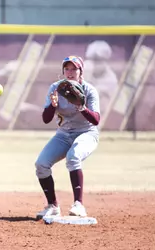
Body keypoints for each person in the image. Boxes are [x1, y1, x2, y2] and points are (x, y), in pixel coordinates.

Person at [35, 56, 100, 218]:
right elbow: (46, 119)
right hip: (63, 135)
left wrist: (81, 107)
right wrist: (53, 105)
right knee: (41, 164)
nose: (70, 72)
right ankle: (52, 206)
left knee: (73, 157)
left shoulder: (89, 90)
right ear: (63, 71)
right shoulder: (55, 88)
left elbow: (96, 120)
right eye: (67, 69)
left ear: (80, 72)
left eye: (74, 69)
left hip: (86, 133)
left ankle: (79, 205)